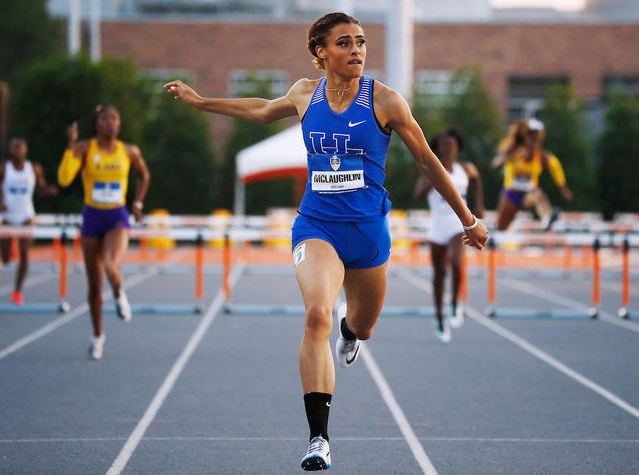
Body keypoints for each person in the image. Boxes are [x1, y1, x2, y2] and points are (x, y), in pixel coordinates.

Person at [164, 11, 487, 471]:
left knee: (364, 325)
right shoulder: (304, 94)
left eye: (360, 42)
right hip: (317, 227)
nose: (356, 50)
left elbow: (429, 162)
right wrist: (201, 103)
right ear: (320, 53)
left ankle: (351, 331)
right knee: (317, 314)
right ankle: (319, 438)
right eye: (344, 43)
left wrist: (467, 219)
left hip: (370, 235)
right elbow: (259, 109)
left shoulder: (386, 101)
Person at [57, 105, 150, 360]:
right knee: (95, 285)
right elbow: (64, 179)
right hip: (92, 218)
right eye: (105, 118)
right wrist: (71, 146)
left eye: (115, 118)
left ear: (119, 124)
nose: (111, 122)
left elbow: (144, 175)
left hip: (117, 217)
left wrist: (138, 203)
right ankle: (98, 335)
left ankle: (119, 294)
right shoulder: (85, 148)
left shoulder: (129, 151)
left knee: (112, 267)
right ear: (96, 124)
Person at [414, 127, 484, 343]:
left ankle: (455, 303)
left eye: (451, 146)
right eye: (443, 147)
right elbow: (418, 194)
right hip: (438, 225)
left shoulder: (466, 169)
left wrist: (479, 203)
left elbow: (476, 181)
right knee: (438, 276)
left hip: (457, 224)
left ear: (458, 148)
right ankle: (439, 316)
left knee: (456, 262)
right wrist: (435, 175)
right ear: (437, 150)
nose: (447, 150)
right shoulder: (432, 169)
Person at [0, 137, 58, 304]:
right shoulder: (4, 169)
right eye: (15, 148)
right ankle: (9, 248)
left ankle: (17, 291)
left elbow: (40, 189)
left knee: (25, 254)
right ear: (10, 151)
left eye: (21, 148)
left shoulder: (33, 169)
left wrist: (49, 191)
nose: (18, 151)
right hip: (9, 216)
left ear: (26, 150)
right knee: (5, 259)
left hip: (27, 215)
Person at [491, 118, 572, 231]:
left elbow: (555, 166)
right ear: (525, 137)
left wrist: (563, 188)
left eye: (537, 139)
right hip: (510, 194)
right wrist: (510, 157)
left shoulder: (541, 156)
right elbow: (495, 165)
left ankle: (547, 220)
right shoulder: (513, 149)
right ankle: (494, 243)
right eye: (532, 137)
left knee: (539, 196)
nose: (535, 142)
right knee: (501, 227)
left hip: (529, 193)